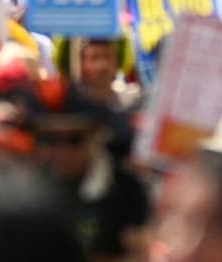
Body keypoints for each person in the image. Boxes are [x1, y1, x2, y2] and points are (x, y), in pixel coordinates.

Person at [29, 79, 151, 261]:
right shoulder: (29, 185)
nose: (62, 151)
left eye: (75, 139)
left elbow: (140, 255)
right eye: (50, 139)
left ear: (96, 135)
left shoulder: (124, 188)